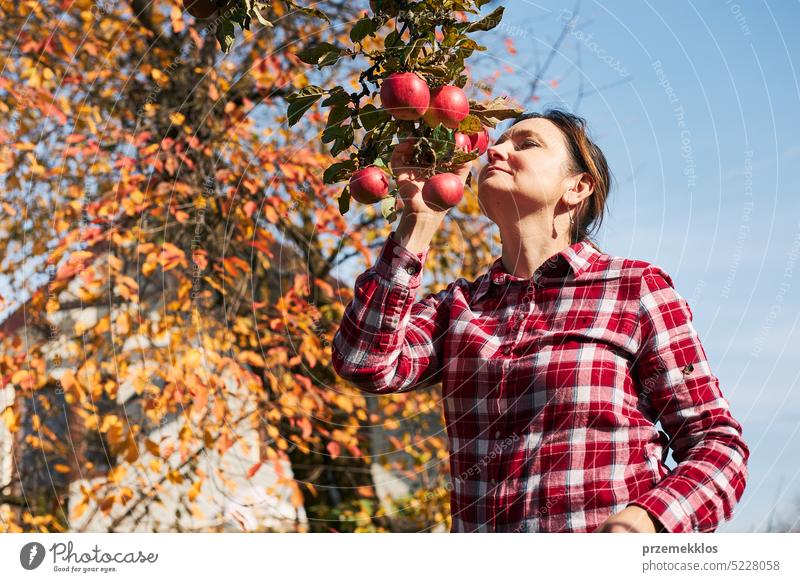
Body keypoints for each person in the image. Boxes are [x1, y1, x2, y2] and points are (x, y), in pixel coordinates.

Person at [331, 108, 749, 533]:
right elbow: (363, 362)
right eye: (499, 142)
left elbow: (717, 444)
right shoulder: (460, 307)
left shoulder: (634, 288)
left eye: (525, 143)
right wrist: (417, 224)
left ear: (577, 187)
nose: (494, 149)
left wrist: (645, 521)